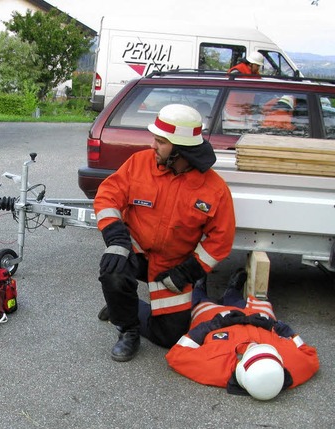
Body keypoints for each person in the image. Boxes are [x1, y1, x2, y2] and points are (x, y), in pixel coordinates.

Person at [94, 104, 236, 362]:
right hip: (135, 248)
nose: (153, 146)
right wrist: (116, 238)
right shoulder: (139, 163)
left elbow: (221, 239)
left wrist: (189, 271)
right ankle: (128, 329)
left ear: (180, 149)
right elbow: (107, 196)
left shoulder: (213, 189)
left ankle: (124, 308)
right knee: (113, 271)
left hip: (172, 266)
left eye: (160, 141)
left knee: (168, 337)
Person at [165, 269, 319, 400]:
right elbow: (307, 352)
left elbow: (176, 354)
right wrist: (275, 326)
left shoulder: (215, 367)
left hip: (213, 319)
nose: (253, 345)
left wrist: (213, 325)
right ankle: (232, 291)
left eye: (251, 350)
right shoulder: (292, 368)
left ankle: (199, 287)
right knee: (238, 301)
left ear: (240, 367)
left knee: (200, 302)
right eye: (260, 348)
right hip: (256, 316)